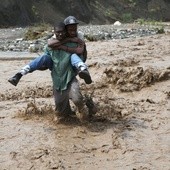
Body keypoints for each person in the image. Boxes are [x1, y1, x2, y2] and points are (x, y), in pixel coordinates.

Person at [8, 16, 92, 86]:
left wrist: (63, 47)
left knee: (73, 55)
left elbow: (80, 50)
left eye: (74, 29)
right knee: (44, 57)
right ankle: (20, 73)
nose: (73, 32)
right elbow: (50, 43)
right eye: (70, 30)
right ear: (65, 29)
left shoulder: (79, 35)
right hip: (58, 65)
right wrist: (67, 41)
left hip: (75, 61)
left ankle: (84, 70)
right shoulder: (59, 35)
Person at [45, 22, 90, 122]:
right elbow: (46, 57)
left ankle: (86, 109)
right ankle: (69, 113)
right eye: (58, 33)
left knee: (77, 99)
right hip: (58, 79)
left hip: (70, 75)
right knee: (61, 114)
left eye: (62, 32)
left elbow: (82, 54)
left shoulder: (76, 41)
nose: (60, 35)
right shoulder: (52, 44)